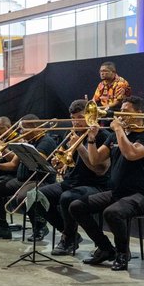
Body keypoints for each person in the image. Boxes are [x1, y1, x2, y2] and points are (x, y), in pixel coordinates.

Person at [69, 96, 144, 272]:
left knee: (112, 213)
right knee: (76, 206)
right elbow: (95, 160)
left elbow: (131, 154)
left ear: (140, 112)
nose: (121, 116)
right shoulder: (114, 136)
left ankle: (123, 253)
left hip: (140, 195)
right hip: (117, 192)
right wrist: (92, 139)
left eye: (127, 111)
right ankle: (105, 248)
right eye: (121, 111)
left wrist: (118, 130)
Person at [38, 100, 110, 255]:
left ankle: (68, 239)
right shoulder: (72, 133)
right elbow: (67, 161)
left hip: (95, 184)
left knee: (66, 198)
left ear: (91, 116)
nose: (75, 121)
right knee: (37, 196)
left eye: (80, 117)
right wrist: (59, 163)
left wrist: (80, 147)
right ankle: (70, 233)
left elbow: (100, 170)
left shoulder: (103, 136)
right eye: (73, 118)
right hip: (73, 182)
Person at [0, 116, 58, 241]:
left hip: (40, 180)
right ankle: (2, 227)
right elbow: (13, 165)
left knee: (23, 196)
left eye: (23, 130)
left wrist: (20, 149)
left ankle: (40, 226)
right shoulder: (28, 142)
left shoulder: (46, 141)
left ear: (34, 128)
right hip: (23, 180)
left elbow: (38, 163)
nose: (21, 133)